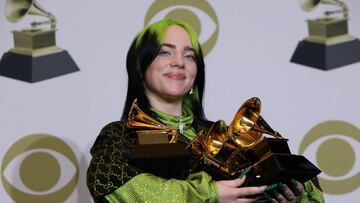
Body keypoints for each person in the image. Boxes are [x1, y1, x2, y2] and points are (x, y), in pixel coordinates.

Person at [86, 19, 324, 203]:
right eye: (165, 51)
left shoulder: (225, 135)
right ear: (140, 65)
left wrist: (292, 195)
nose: (179, 61)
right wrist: (210, 194)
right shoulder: (119, 135)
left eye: (190, 56)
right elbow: (117, 188)